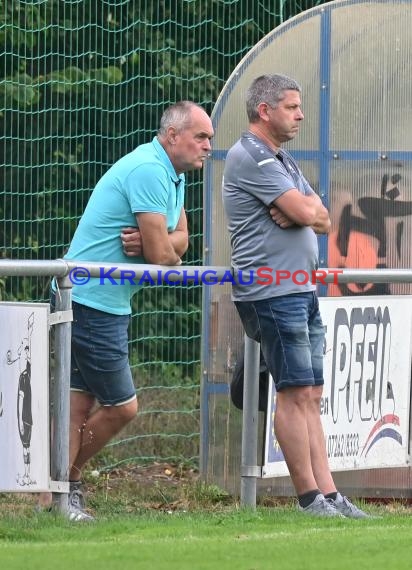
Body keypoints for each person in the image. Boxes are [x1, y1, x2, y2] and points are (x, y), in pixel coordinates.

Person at [42, 101, 214, 521]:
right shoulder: (150, 170)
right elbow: (162, 257)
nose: (208, 145)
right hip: (88, 301)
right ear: (172, 136)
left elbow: (182, 240)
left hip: (98, 301)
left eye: (209, 138)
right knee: (123, 407)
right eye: (201, 137)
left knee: (77, 404)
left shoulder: (172, 174)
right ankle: (66, 488)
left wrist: (163, 244)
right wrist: (161, 246)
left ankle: (55, 499)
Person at [222, 74, 369, 518]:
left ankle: (330, 494)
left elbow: (321, 215)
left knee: (311, 393)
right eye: (292, 107)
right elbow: (309, 211)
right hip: (271, 289)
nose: (301, 114)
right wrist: (302, 212)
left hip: (299, 287)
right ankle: (308, 499)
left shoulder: (281, 158)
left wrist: (302, 214)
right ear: (264, 111)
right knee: (293, 391)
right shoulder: (249, 154)